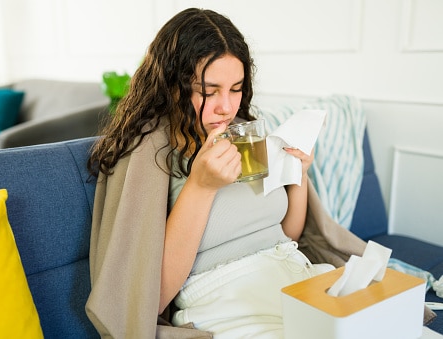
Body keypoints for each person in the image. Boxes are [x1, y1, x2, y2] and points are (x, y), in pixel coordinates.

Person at [85, 7, 362, 339]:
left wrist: (298, 177)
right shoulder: (148, 152)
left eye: (236, 88)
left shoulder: (243, 134)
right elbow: (148, 299)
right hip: (227, 304)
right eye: (209, 90)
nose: (227, 107)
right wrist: (201, 186)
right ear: (174, 85)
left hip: (294, 279)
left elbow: (285, 235)